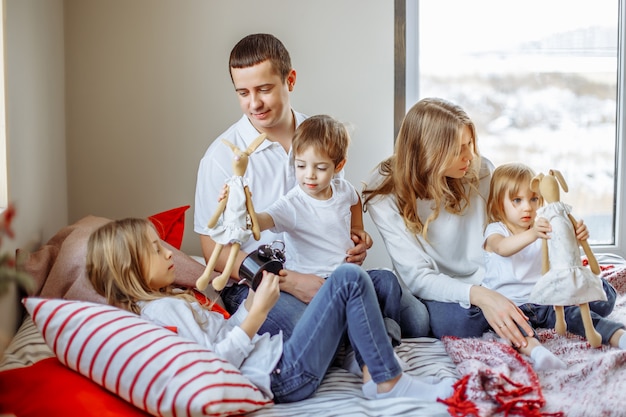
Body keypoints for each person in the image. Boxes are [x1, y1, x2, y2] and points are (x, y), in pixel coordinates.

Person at [194, 33, 428, 339]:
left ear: (289, 80)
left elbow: (340, 201)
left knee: (417, 319)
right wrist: (288, 281)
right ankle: (365, 334)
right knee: (308, 327)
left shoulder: (320, 134)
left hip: (327, 272)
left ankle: (359, 330)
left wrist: (354, 240)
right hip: (261, 284)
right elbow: (213, 248)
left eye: (264, 89)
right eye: (243, 93)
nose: (254, 103)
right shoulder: (222, 157)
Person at [85, 218, 455, 404]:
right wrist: (257, 314)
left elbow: (220, 338)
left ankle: (362, 359)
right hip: (282, 374)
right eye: (155, 249)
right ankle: (386, 380)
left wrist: (254, 297)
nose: (169, 253)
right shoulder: (164, 312)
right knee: (348, 280)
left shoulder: (167, 302)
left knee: (377, 289)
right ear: (127, 269)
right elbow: (213, 365)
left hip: (275, 359)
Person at [362, 97, 620, 351]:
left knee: (603, 298)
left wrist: (558, 230)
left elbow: (512, 223)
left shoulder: (480, 170)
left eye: (469, 144)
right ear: (430, 151)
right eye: (457, 150)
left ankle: (522, 310)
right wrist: (483, 297)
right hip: (443, 289)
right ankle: (526, 311)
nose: (469, 156)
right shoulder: (384, 192)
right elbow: (419, 278)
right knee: (455, 323)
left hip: (495, 278)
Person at [483, 162, 626, 357]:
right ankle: (539, 354)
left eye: (533, 199)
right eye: (517, 200)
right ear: (499, 203)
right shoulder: (496, 230)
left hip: (545, 301)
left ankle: (618, 335)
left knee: (578, 315)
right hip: (511, 305)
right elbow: (502, 248)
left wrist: (576, 236)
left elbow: (562, 253)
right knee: (514, 329)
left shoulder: (543, 225)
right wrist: (533, 233)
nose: (527, 207)